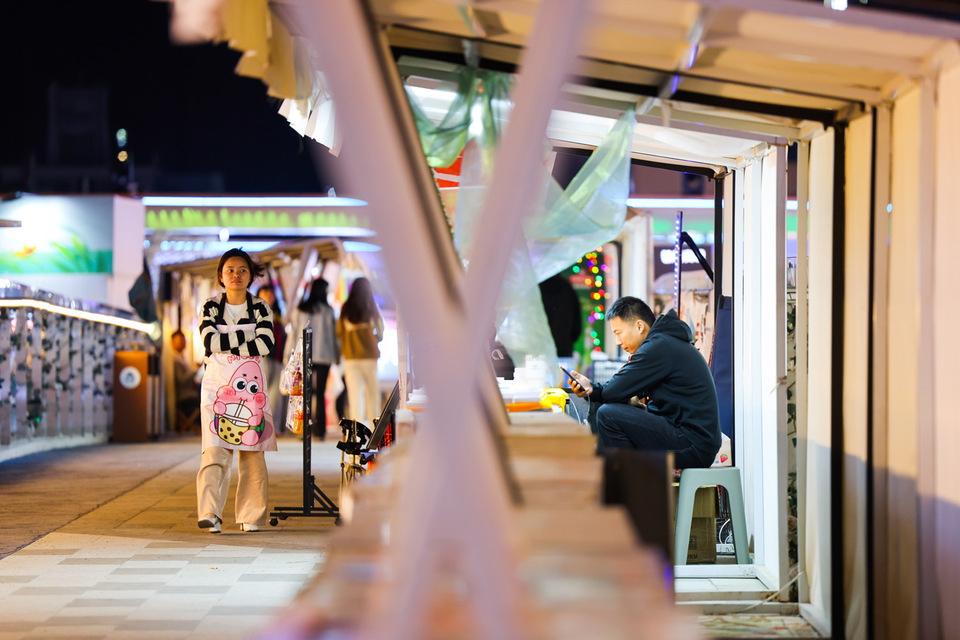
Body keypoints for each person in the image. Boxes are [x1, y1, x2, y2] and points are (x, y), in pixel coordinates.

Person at [568, 296, 720, 469]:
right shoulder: (665, 342)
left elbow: (612, 391)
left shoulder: (658, 347)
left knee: (607, 414)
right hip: (696, 441)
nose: (618, 342)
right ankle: (637, 481)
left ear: (639, 326)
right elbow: (627, 390)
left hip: (693, 445)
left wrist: (592, 389)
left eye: (619, 333)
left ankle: (630, 487)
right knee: (616, 411)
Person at [196, 248, 277, 534]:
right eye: (230, 270)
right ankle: (209, 513)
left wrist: (227, 340)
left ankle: (250, 516)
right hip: (216, 388)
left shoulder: (261, 307)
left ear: (251, 275)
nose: (236, 275)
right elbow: (208, 339)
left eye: (242, 270)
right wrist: (246, 339)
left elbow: (266, 344)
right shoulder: (210, 307)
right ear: (220, 275)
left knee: (253, 451)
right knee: (214, 449)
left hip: (252, 391)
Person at [286, 278, 340, 439]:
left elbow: (294, 334)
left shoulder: (300, 310)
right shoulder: (328, 311)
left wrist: (288, 356)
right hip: (324, 356)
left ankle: (304, 429)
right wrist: (336, 356)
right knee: (321, 392)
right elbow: (333, 337)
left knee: (305, 393)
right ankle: (320, 430)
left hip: (304, 356)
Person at [336, 277, 383, 429]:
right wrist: (373, 339)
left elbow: (339, 332)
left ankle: (357, 432)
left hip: (351, 357)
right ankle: (374, 429)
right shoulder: (371, 306)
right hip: (369, 357)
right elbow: (381, 330)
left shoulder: (346, 308)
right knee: (373, 394)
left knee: (355, 396)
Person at [255, 283, 288, 423]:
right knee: (262, 391)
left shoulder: (277, 313)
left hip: (278, 357)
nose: (269, 296)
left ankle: (273, 425)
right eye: (265, 293)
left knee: (275, 393)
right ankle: (259, 423)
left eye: (271, 294)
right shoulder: (255, 312)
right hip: (263, 356)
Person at [171, 329, 201, 432]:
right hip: (185, 395)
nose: (181, 343)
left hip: (189, 392)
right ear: (172, 342)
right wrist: (195, 369)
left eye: (183, 341)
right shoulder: (175, 360)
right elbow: (182, 379)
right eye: (179, 341)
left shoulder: (182, 358)